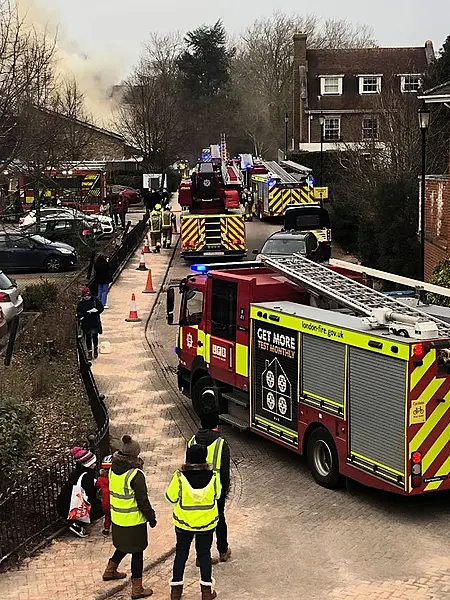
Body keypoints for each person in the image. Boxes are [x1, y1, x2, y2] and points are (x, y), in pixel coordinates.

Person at [102, 434, 156, 600]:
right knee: (137, 552)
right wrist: (151, 517)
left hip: (118, 518)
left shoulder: (112, 470)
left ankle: (110, 570)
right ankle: (137, 589)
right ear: (134, 455)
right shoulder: (135, 475)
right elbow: (142, 500)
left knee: (123, 545)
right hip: (134, 520)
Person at [166, 444, 221, 600]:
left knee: (181, 553)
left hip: (183, 523)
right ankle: (206, 591)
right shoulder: (214, 476)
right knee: (204, 555)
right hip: (207, 523)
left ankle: (176, 591)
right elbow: (217, 495)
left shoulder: (179, 477)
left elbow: (170, 497)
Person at [188, 413, 231, 565]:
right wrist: (225, 489)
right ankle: (223, 550)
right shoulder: (220, 443)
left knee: (201, 522)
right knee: (219, 519)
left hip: (195, 489)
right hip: (216, 489)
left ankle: (201, 556)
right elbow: (224, 471)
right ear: (215, 426)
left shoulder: (192, 441)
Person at [56, 447, 103, 538]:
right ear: (87, 464)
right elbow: (90, 497)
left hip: (63, 505)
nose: (95, 464)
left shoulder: (76, 473)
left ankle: (77, 520)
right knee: (100, 507)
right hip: (71, 509)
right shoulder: (87, 477)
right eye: (93, 462)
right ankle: (76, 523)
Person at [76, 286, 104, 361]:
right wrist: (82, 315)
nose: (87, 297)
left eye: (88, 295)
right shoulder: (81, 303)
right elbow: (78, 311)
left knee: (95, 336)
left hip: (94, 320)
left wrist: (96, 312)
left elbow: (101, 308)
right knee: (88, 337)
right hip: (86, 322)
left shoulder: (95, 300)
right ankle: (89, 352)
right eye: (85, 296)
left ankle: (95, 348)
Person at [95, 455, 112, 536]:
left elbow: (97, 485)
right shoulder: (115, 478)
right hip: (115, 501)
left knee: (107, 516)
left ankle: (106, 529)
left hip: (105, 503)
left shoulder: (101, 479)